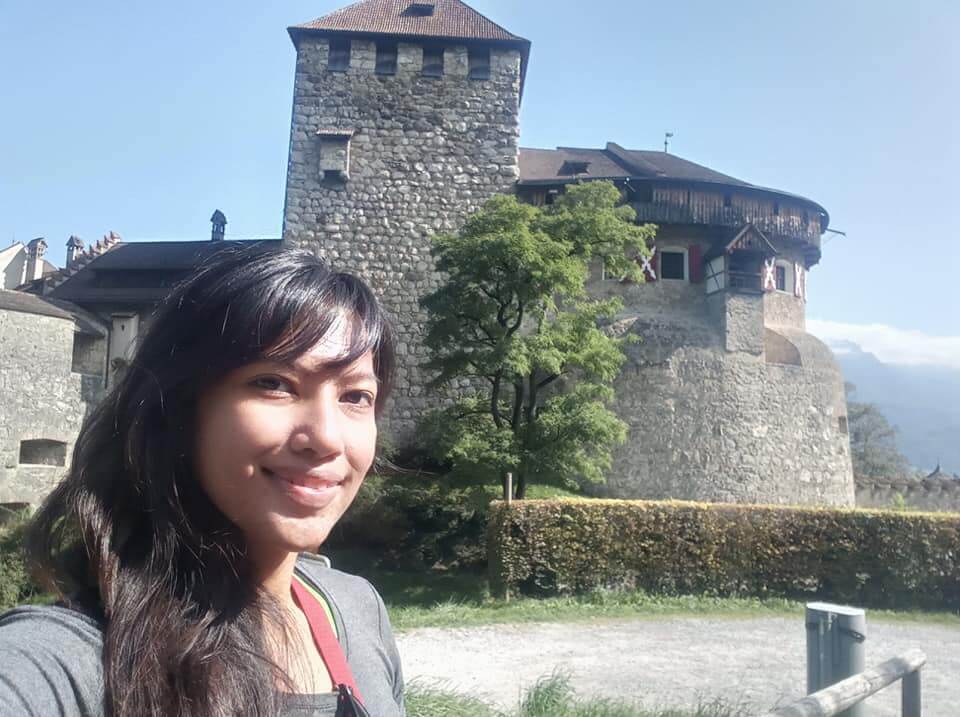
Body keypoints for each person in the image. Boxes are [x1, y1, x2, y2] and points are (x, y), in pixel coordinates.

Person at [0, 247, 405, 716]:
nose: (326, 439)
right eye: (274, 384)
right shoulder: (70, 660)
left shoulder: (358, 611)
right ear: (177, 408)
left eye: (356, 396)